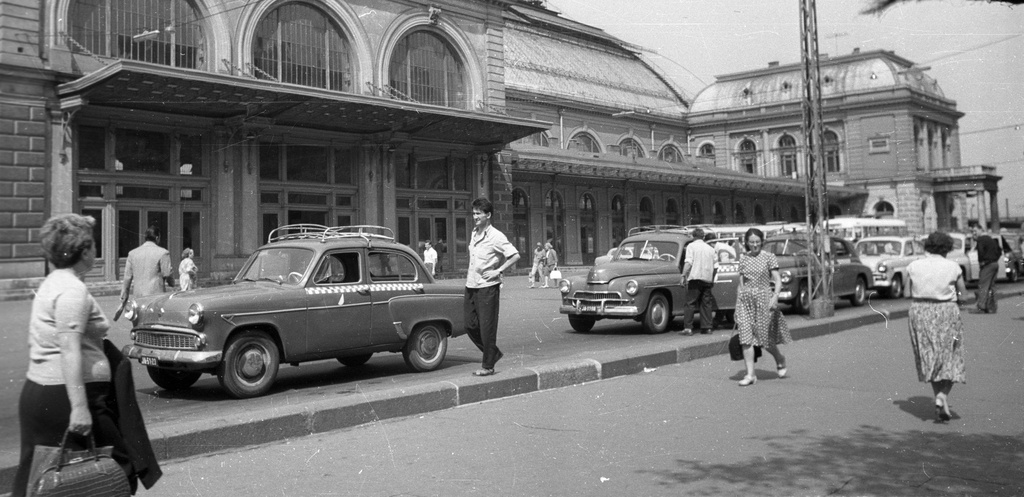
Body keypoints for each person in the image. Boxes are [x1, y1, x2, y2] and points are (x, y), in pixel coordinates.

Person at [13, 214, 131, 496]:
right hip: (70, 395)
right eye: (92, 245)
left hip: (45, 391)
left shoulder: (52, 282)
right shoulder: (72, 290)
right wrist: (79, 407)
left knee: (38, 475)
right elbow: (69, 348)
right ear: (85, 251)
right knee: (116, 469)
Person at [906, 231, 967, 422]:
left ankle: (939, 399)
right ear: (947, 248)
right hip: (947, 312)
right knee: (952, 354)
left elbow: (908, 292)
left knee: (929, 356)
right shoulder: (953, 266)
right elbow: (963, 295)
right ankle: (943, 396)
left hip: (920, 311)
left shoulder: (914, 265)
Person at [464, 197, 520, 377]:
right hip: (471, 284)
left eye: (478, 213)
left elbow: (514, 256)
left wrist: (499, 271)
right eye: (473, 213)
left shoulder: (496, 235)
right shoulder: (474, 232)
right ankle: (493, 352)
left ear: (488, 215)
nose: (475, 217)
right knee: (469, 325)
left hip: (488, 287)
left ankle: (488, 365)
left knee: (487, 328)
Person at [734, 228, 791, 387]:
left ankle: (779, 358)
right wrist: (737, 306)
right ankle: (750, 374)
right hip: (746, 300)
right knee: (745, 338)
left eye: (757, 242)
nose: (754, 245)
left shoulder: (769, 257)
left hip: (764, 299)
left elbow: (777, 280)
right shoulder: (743, 258)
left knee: (765, 339)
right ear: (747, 242)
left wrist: (775, 296)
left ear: (762, 242)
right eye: (751, 242)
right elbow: (741, 283)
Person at [120, 225, 173, 303]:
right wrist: (172, 283)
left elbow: (127, 278)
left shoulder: (132, 253)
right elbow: (167, 274)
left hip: (138, 297)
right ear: (157, 238)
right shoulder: (163, 253)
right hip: (156, 298)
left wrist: (124, 298)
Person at [680, 227, 717, 336]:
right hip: (707, 279)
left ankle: (688, 328)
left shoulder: (691, 246)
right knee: (706, 304)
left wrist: (683, 275)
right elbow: (716, 267)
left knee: (690, 303)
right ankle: (707, 328)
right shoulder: (710, 248)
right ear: (703, 237)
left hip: (695, 278)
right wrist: (712, 278)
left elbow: (688, 263)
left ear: (693, 236)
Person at [971, 226, 1000, 314]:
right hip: (995, 264)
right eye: (972, 231)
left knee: (983, 285)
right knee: (992, 286)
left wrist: (981, 262)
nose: (974, 233)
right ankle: (992, 306)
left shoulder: (981, 240)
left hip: (987, 265)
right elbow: (999, 250)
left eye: (975, 231)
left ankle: (981, 307)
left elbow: (981, 252)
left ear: (981, 230)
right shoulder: (991, 239)